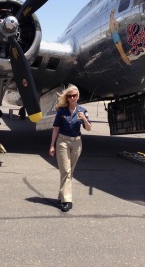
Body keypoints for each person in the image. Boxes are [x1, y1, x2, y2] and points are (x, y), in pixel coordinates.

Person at [49, 84, 92, 212]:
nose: (72, 98)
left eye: (74, 95)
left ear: (78, 96)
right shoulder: (61, 111)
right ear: (67, 98)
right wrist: (52, 145)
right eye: (70, 96)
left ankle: (61, 196)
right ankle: (67, 200)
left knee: (69, 171)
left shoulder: (82, 111)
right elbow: (56, 128)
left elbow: (89, 128)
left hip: (77, 143)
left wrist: (84, 119)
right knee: (66, 171)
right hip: (62, 141)